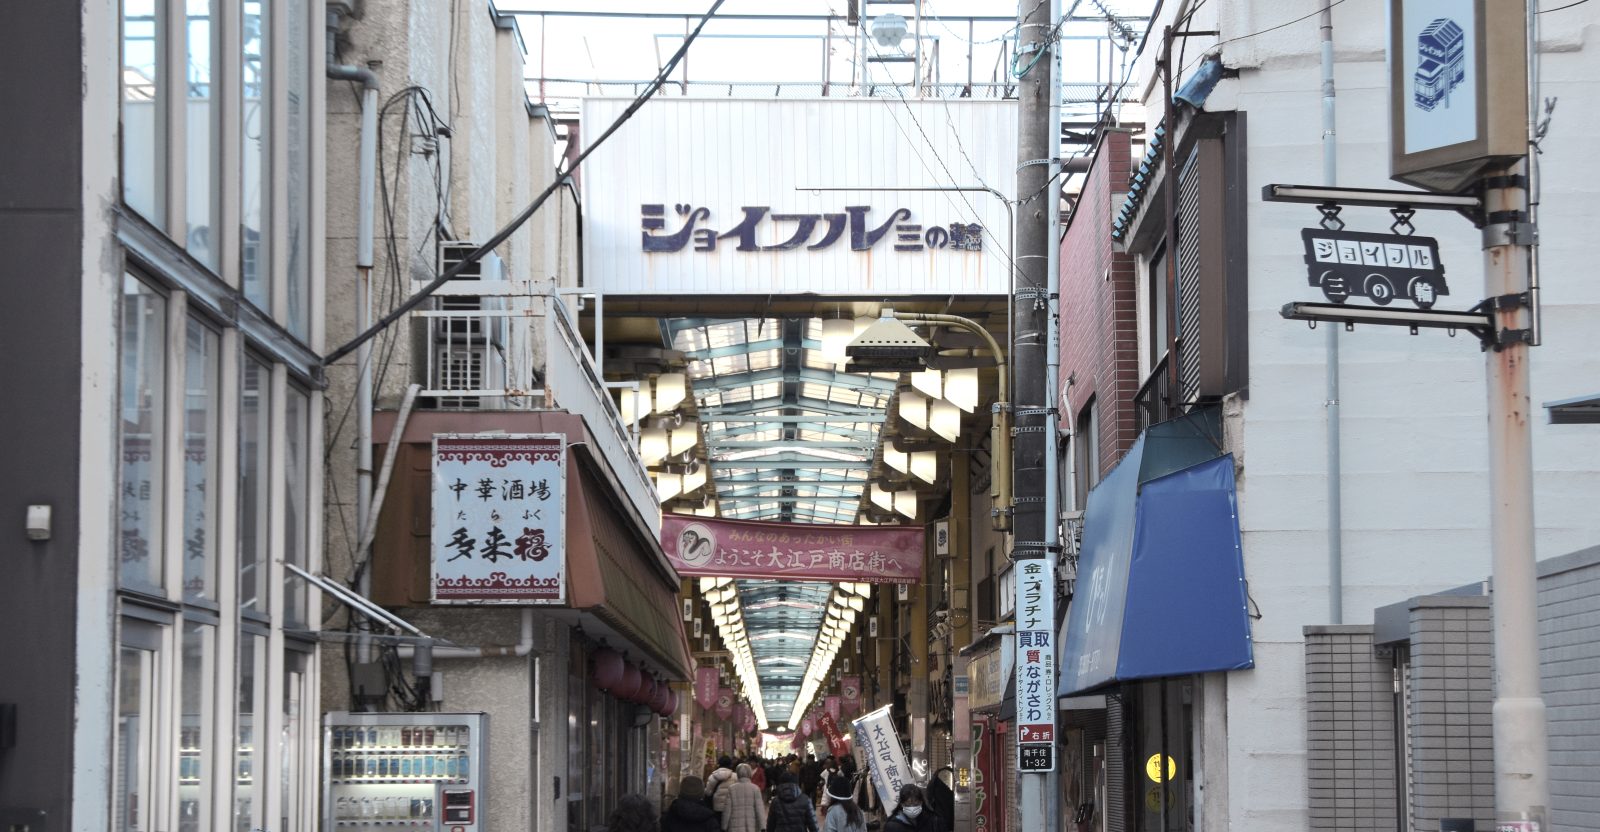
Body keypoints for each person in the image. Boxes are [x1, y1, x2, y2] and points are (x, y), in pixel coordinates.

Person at [722, 764, 768, 832]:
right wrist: (763, 827)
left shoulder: (731, 789)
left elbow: (727, 810)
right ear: (750, 773)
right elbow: (760, 809)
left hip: (735, 826)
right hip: (751, 826)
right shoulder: (755, 789)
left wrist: (724, 826)